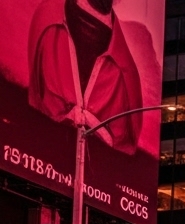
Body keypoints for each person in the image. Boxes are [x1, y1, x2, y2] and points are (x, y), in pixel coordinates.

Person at [28, 0, 145, 153]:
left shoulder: (127, 77)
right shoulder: (45, 24)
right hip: (40, 160)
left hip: (93, 172)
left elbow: (126, 154)